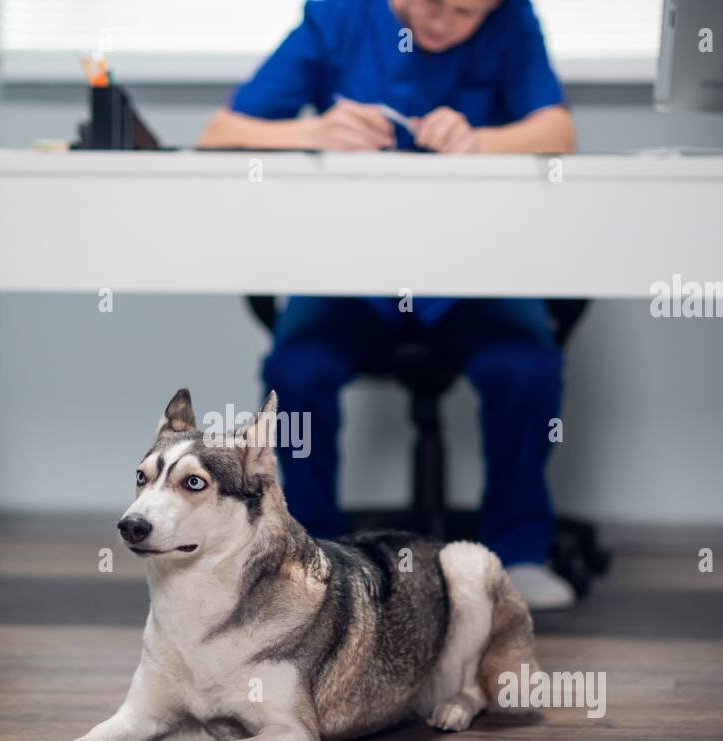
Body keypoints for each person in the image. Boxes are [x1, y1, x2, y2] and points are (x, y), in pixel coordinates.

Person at [199, 0, 578, 609]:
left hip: (469, 275)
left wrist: (481, 141)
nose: (442, 23)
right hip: (355, 273)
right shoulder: (338, 15)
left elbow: (557, 132)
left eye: (465, 13)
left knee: (524, 367)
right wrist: (313, 133)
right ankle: (311, 554)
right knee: (298, 371)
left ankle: (520, 552)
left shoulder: (513, 20)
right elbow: (220, 133)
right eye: (431, 4)